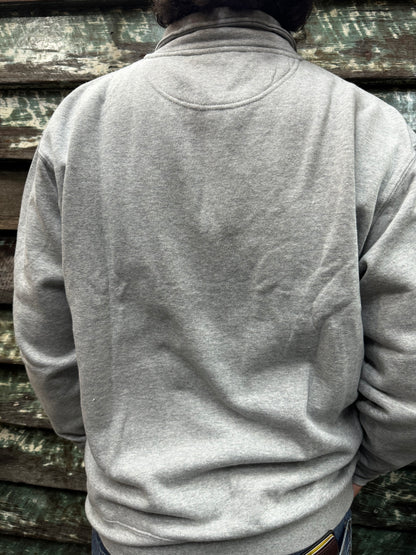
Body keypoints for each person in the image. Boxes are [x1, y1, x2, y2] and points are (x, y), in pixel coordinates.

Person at [13, 1, 416, 554]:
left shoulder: (82, 120)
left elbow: (43, 327)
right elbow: (408, 358)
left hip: (132, 520)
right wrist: (357, 471)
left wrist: (112, 452)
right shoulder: (366, 126)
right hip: (302, 519)